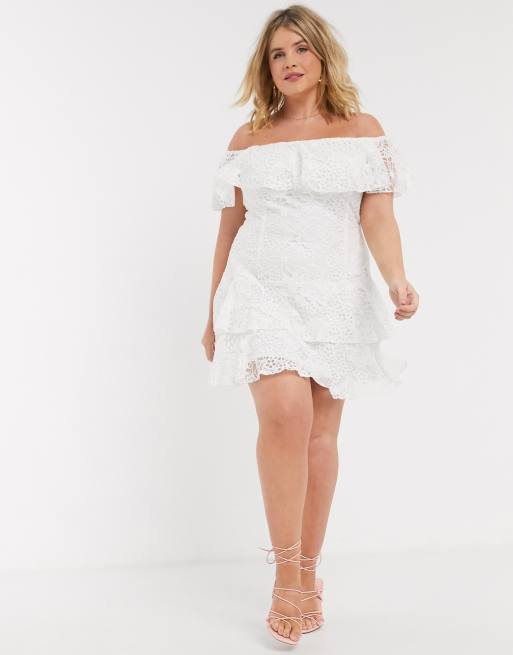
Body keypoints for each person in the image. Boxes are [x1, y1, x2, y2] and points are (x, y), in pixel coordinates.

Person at [201, 4, 419, 646]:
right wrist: (213, 312)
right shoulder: (248, 140)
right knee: (284, 416)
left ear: (323, 56)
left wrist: (397, 278)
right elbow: (229, 230)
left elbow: (377, 217)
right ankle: (285, 578)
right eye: (277, 53)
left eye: (300, 48)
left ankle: (307, 571)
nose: (289, 61)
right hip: (260, 290)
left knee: (321, 435)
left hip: (334, 294)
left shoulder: (363, 131)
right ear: (265, 68)